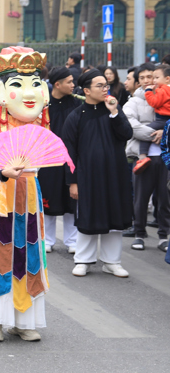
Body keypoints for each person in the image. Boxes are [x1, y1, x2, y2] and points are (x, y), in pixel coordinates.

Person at [0, 47, 50, 342]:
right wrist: (4, 172)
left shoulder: (40, 124)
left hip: (29, 192)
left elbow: (43, 159)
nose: (29, 92)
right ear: (3, 90)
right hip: (1, 192)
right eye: (18, 85)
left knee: (30, 251)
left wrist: (31, 168)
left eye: (34, 84)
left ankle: (24, 318)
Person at [64, 68, 133, 278]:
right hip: (87, 175)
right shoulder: (75, 116)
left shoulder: (112, 109)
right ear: (86, 90)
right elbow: (68, 152)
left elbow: (127, 133)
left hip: (115, 173)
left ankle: (112, 261)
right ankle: (83, 260)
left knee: (115, 214)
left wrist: (114, 112)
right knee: (88, 215)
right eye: (100, 86)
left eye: (106, 85)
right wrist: (72, 182)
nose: (105, 89)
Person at [123, 64, 169, 250]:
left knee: (165, 198)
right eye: (142, 78)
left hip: (165, 158)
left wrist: (164, 132)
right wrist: (157, 132)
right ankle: (139, 233)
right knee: (141, 199)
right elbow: (130, 126)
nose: (147, 80)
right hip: (142, 158)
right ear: (137, 81)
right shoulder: (133, 102)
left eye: (151, 76)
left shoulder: (165, 95)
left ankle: (163, 236)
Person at [41, 67, 80, 254]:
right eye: (69, 82)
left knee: (71, 198)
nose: (73, 85)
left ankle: (71, 240)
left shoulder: (76, 104)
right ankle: (47, 239)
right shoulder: (43, 104)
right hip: (48, 158)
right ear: (57, 84)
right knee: (48, 198)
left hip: (71, 157)